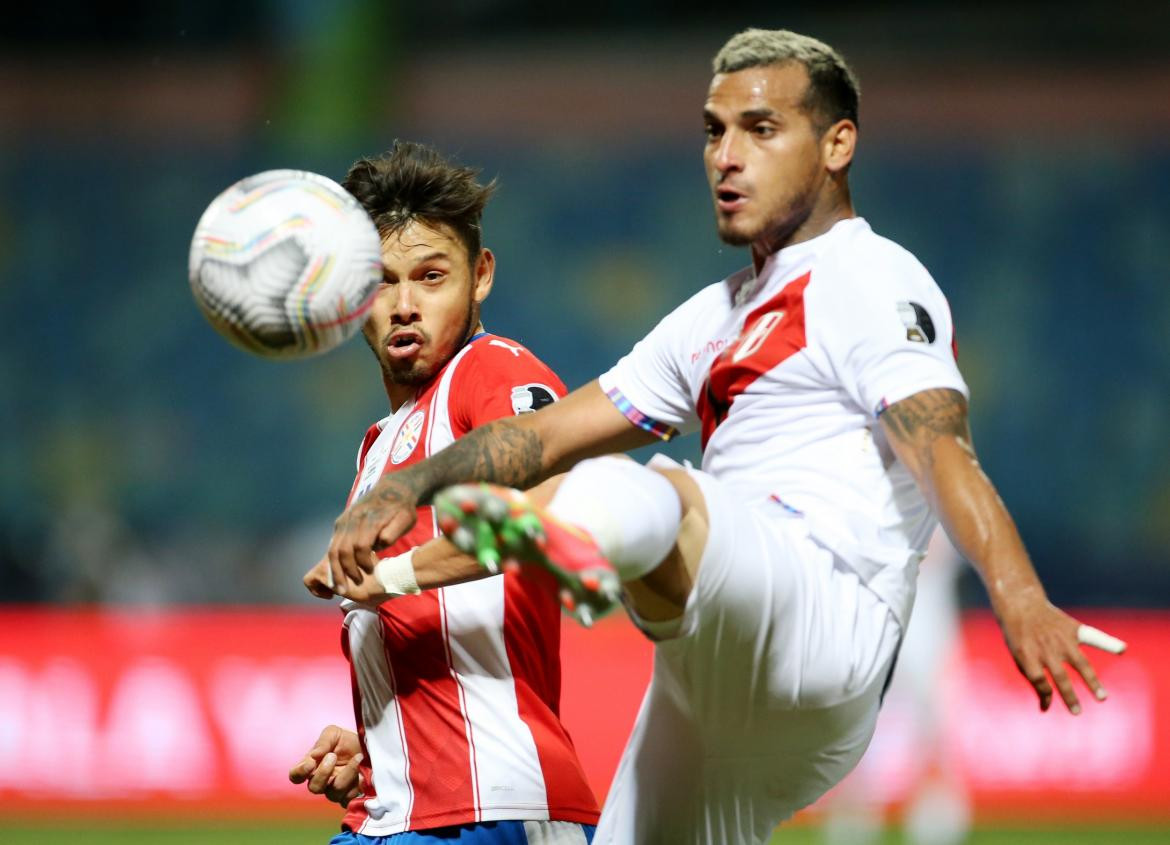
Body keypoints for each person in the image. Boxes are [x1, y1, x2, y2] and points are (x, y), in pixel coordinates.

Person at [321, 30, 1127, 843]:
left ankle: (573, 540)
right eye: (714, 131)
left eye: (761, 129)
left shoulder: (871, 278)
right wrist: (407, 486)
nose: (727, 157)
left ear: (837, 143)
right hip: (711, 684)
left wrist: (1018, 593)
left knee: (660, 492)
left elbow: (943, 449)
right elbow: (547, 433)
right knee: (609, 479)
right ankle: (583, 543)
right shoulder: (708, 320)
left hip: (823, 612)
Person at [288, 141, 600, 844]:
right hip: (406, 809)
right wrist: (382, 747)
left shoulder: (489, 370)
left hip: (486, 810)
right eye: (382, 281)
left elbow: (547, 516)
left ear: (480, 275)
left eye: (431, 276)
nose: (404, 305)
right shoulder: (379, 446)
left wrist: (387, 575)